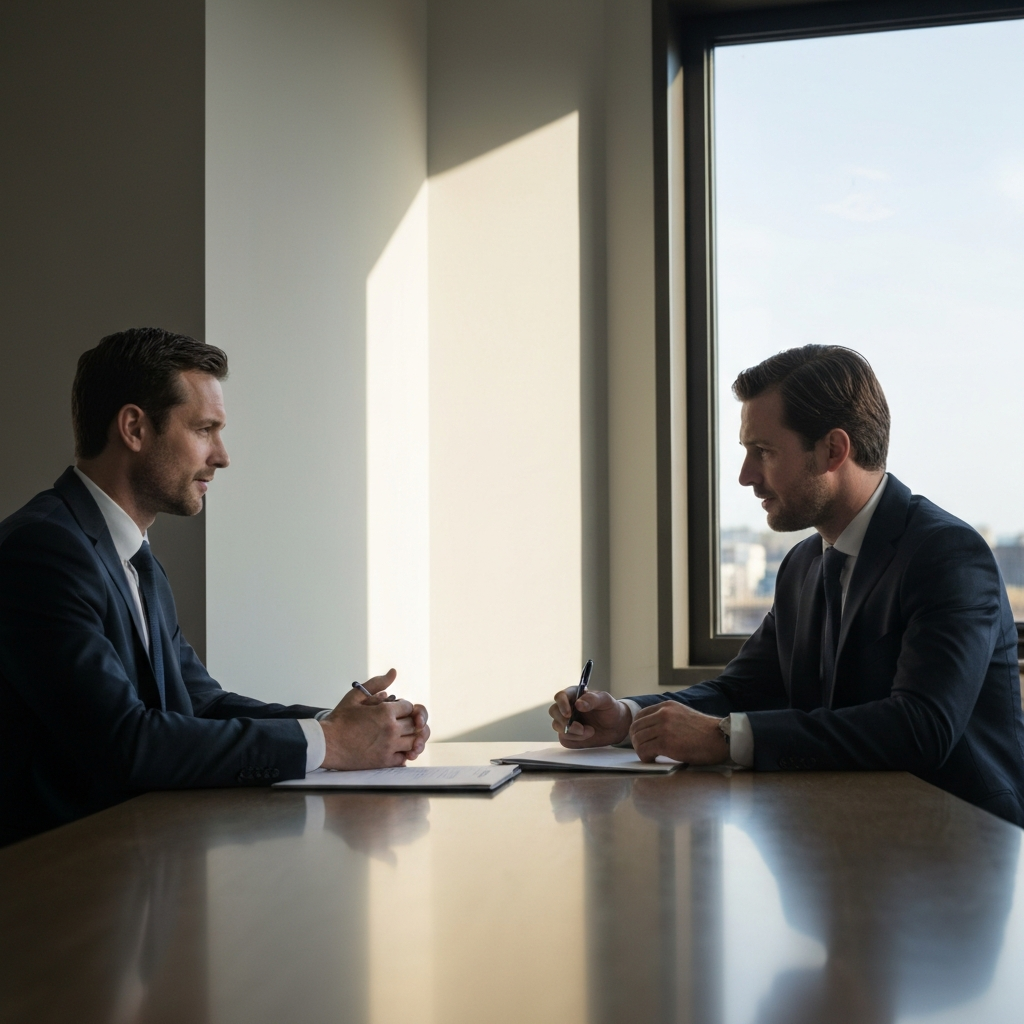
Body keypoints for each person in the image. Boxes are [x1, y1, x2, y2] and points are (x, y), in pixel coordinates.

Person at [550, 345, 1024, 825]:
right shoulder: (803, 565)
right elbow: (742, 691)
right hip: (842, 839)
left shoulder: (947, 555)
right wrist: (628, 718)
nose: (745, 477)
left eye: (765, 452)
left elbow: (921, 728)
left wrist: (724, 738)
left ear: (834, 450)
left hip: (960, 846)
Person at [0, 327, 429, 846]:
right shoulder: (43, 550)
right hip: (56, 886)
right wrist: (331, 743)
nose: (222, 456)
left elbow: (198, 703)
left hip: (135, 864)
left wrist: (343, 723)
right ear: (134, 428)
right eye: (205, 429)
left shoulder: (132, 556)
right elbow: (125, 743)